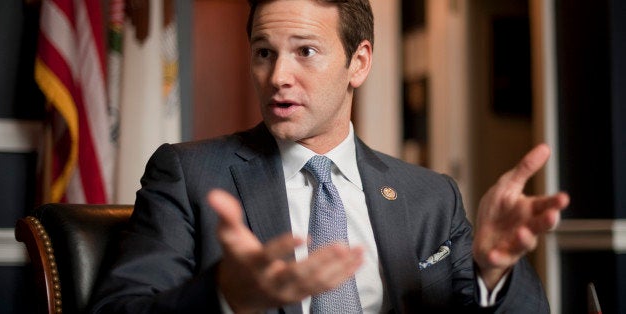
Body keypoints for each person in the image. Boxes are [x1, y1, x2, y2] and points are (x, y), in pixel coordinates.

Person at [90, 0, 569, 313]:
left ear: (358, 62)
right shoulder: (190, 174)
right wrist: (222, 296)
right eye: (263, 53)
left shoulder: (430, 197)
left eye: (305, 51)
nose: (278, 76)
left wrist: (495, 271)